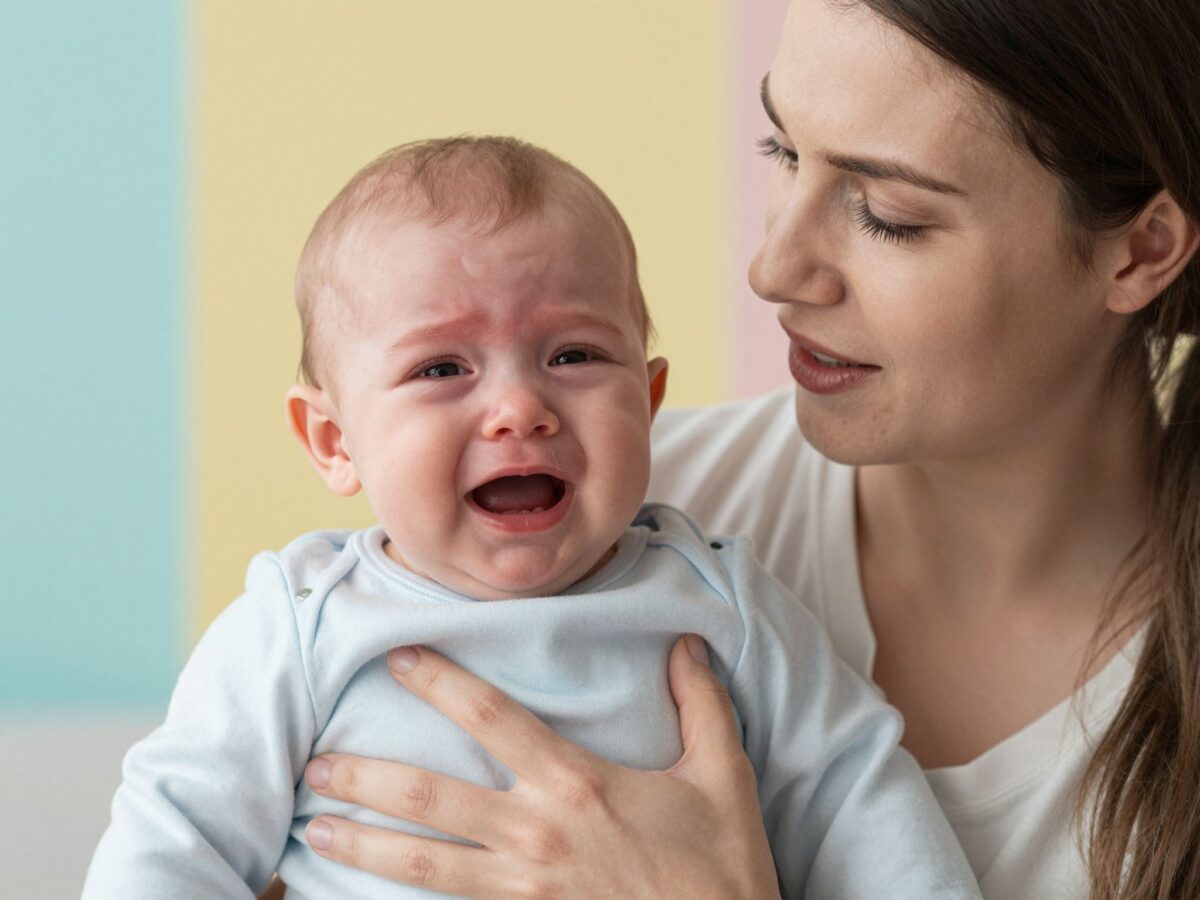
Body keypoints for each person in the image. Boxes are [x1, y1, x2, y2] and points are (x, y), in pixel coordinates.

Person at [279, 1, 1200, 899]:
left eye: (887, 213)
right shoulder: (584, 516)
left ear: (1140, 250)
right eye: (784, 152)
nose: (773, 269)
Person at [84, 136, 980, 899]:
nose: (520, 407)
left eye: (575, 354)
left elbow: (860, 800)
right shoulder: (302, 624)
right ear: (333, 439)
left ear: (650, 400)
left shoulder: (722, 603)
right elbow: (174, 836)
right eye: (442, 369)